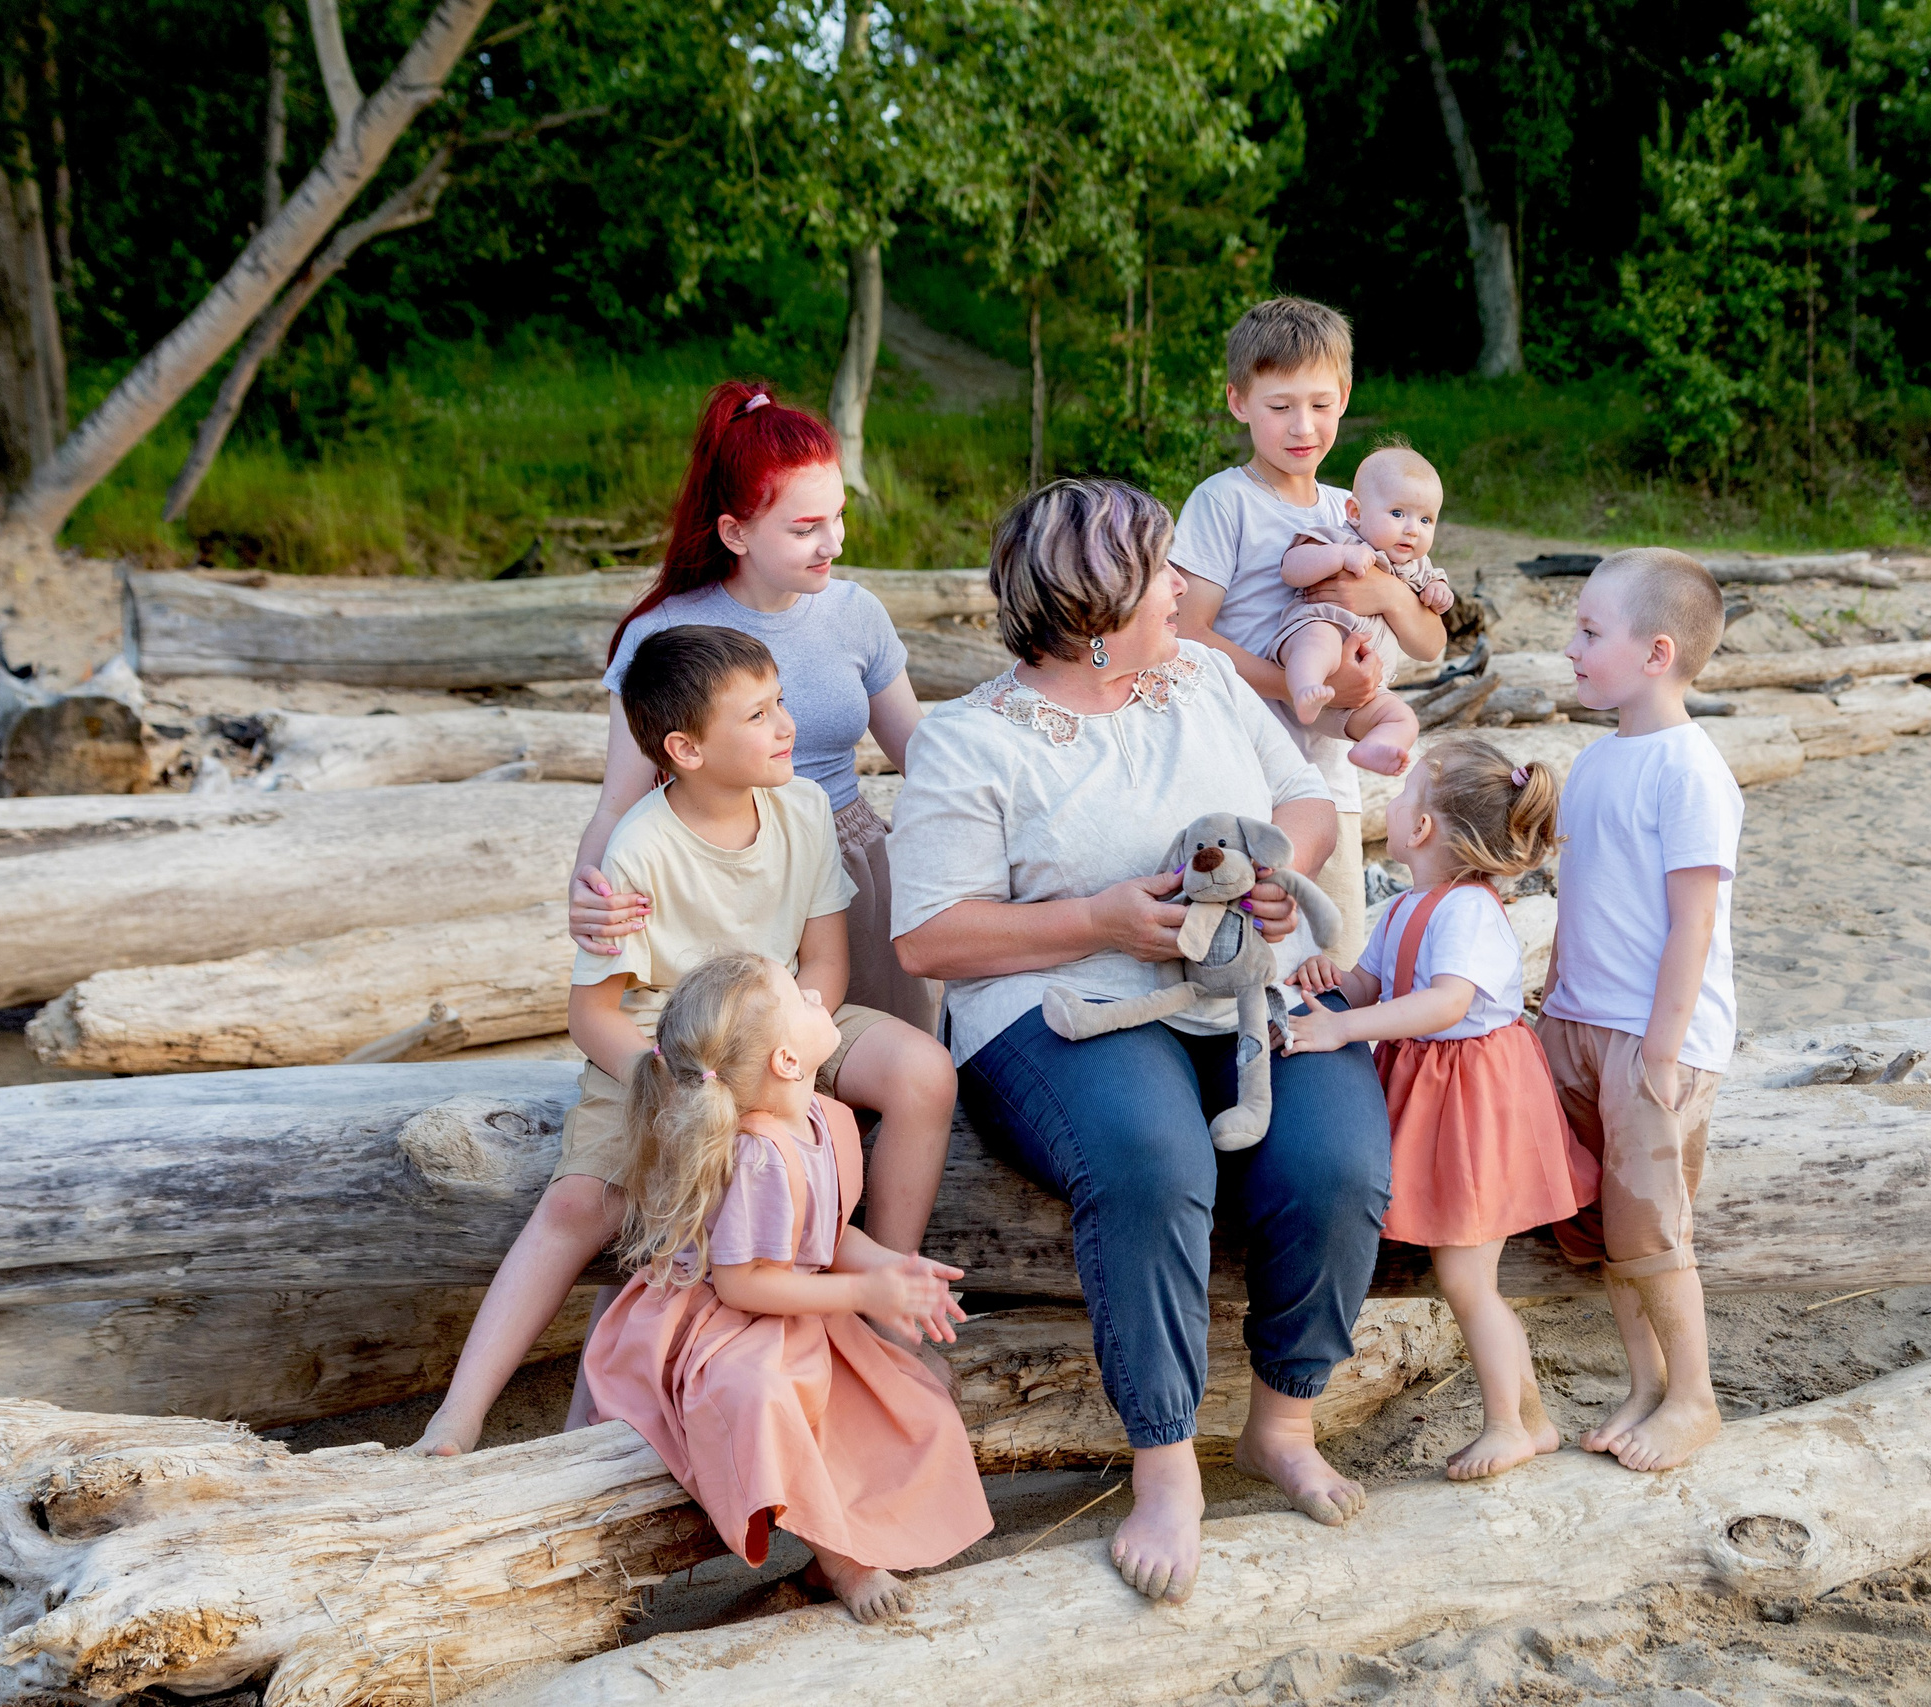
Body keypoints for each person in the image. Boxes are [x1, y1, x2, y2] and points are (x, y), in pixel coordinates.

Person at [890, 478, 1392, 1607]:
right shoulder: (969, 741)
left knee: (1340, 1161)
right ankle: (1165, 1464)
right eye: (1159, 572)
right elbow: (928, 937)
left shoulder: (1204, 677)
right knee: (1152, 1161)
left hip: (1236, 988)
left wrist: (1278, 871)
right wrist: (1098, 921)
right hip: (1058, 1006)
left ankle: (1283, 1422)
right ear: (1093, 612)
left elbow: (1302, 800)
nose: (1181, 588)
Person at [412, 625, 956, 1456]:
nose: (787, 725)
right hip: (662, 1044)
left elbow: (824, 964)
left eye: (780, 702)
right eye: (759, 714)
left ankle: (887, 1301)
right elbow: (592, 1014)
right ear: (687, 749)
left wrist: (787, 1051)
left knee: (923, 1072)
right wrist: (668, 1078)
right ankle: (460, 1412)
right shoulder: (640, 847)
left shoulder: (804, 809)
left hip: (783, 1014)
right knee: (575, 1204)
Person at [580, 952, 990, 1623]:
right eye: (799, 999)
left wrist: (891, 1269)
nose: (814, 994)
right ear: (788, 1061)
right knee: (764, 1396)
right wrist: (862, 1297)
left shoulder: (824, 1118)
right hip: (724, 1325)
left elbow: (823, 1234)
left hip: (798, 1307)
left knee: (912, 1401)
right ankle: (844, 1562)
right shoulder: (759, 1153)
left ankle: (846, 1542)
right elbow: (741, 1284)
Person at [572, 378, 939, 1037]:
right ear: (735, 532)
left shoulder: (856, 614)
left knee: (884, 1057)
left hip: (848, 862)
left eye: (838, 516)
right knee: (740, 1062)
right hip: (721, 878)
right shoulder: (663, 634)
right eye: (805, 528)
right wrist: (588, 891)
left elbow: (925, 757)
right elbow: (618, 802)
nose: (834, 543)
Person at [1284, 733, 1597, 1481]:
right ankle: (1532, 1419)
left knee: (1466, 1279)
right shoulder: (1407, 905)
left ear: (1422, 827)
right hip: (1440, 1093)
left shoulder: (1467, 910)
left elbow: (1445, 1002)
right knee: (1464, 1276)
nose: (1392, 807)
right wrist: (1329, 982)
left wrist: (1345, 1028)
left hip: (1473, 1101)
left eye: (1404, 797)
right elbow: (1373, 983)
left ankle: (1505, 1424)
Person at [1535, 548, 1742, 1473]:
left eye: (1589, 631)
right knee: (1611, 1221)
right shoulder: (1593, 762)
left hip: (1652, 1038)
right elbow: (1581, 898)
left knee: (1653, 1224)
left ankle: (1695, 1395)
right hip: (1577, 1022)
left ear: (1658, 653)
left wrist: (1661, 1048)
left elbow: (1694, 921)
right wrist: (1553, 1006)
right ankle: (1646, 1383)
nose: (1570, 646)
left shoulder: (1690, 770)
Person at [1170, 297, 1451, 960]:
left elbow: (1432, 646)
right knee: (1242, 953)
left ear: (1344, 398)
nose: (1303, 426)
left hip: (1329, 774)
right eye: (1280, 406)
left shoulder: (1360, 508)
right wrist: (1304, 686)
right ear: (1239, 402)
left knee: (1334, 951)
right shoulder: (1223, 502)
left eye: (1321, 404)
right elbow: (1186, 635)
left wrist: (1388, 592)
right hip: (1239, 766)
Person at [1272, 445, 1456, 776]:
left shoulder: (1418, 568)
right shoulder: (1340, 538)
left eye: (1425, 519)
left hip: (1363, 692)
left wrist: (1438, 592)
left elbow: (1431, 638)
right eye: (1398, 514)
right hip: (1321, 643)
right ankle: (1304, 690)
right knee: (1319, 640)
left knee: (1403, 718)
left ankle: (1373, 746)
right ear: (1355, 513)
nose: (1412, 529)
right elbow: (1291, 566)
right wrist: (1340, 557)